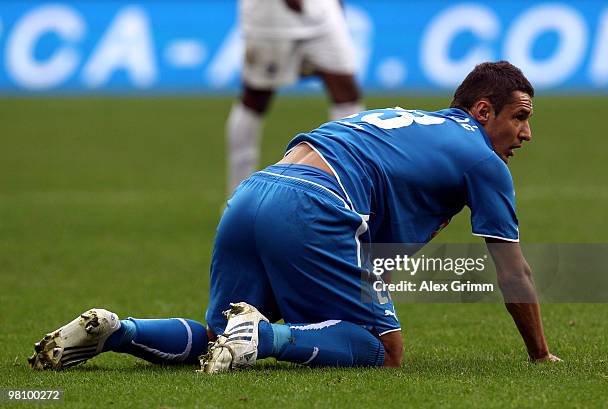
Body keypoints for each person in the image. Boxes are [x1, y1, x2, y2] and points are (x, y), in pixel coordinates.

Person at [29, 61, 561, 372]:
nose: (527, 134)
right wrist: (540, 355)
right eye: (520, 117)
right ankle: (264, 339)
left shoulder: (406, 119)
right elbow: (512, 271)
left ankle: (116, 331)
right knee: (383, 349)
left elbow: (385, 203)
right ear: (483, 111)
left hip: (256, 190)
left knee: (216, 336)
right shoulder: (480, 159)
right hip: (316, 205)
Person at [226, 0, 364, 194]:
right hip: (270, 19)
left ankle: (349, 189)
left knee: (347, 91)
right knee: (256, 98)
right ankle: (238, 194)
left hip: (321, 13)